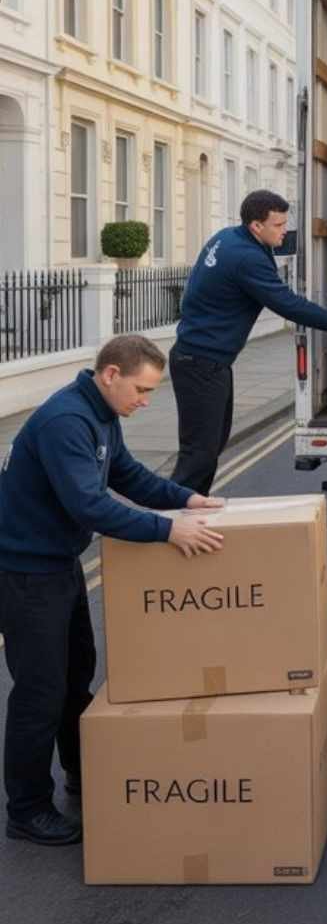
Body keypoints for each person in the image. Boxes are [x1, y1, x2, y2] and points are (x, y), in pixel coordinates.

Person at [0, 335, 226, 847]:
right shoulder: (66, 422)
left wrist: (187, 499)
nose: (146, 400)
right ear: (110, 375)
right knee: (40, 691)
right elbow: (90, 506)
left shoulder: (100, 416)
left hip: (58, 562)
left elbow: (127, 476)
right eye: (142, 389)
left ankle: (81, 771)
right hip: (25, 571)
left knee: (77, 674)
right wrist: (169, 531)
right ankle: (27, 807)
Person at [171, 189, 327, 493]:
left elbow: (196, 290)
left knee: (209, 448)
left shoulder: (227, 237)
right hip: (201, 363)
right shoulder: (246, 258)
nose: (284, 231)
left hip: (206, 359)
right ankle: (170, 522)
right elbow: (288, 304)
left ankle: (190, 511)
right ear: (256, 226)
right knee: (199, 455)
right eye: (278, 225)